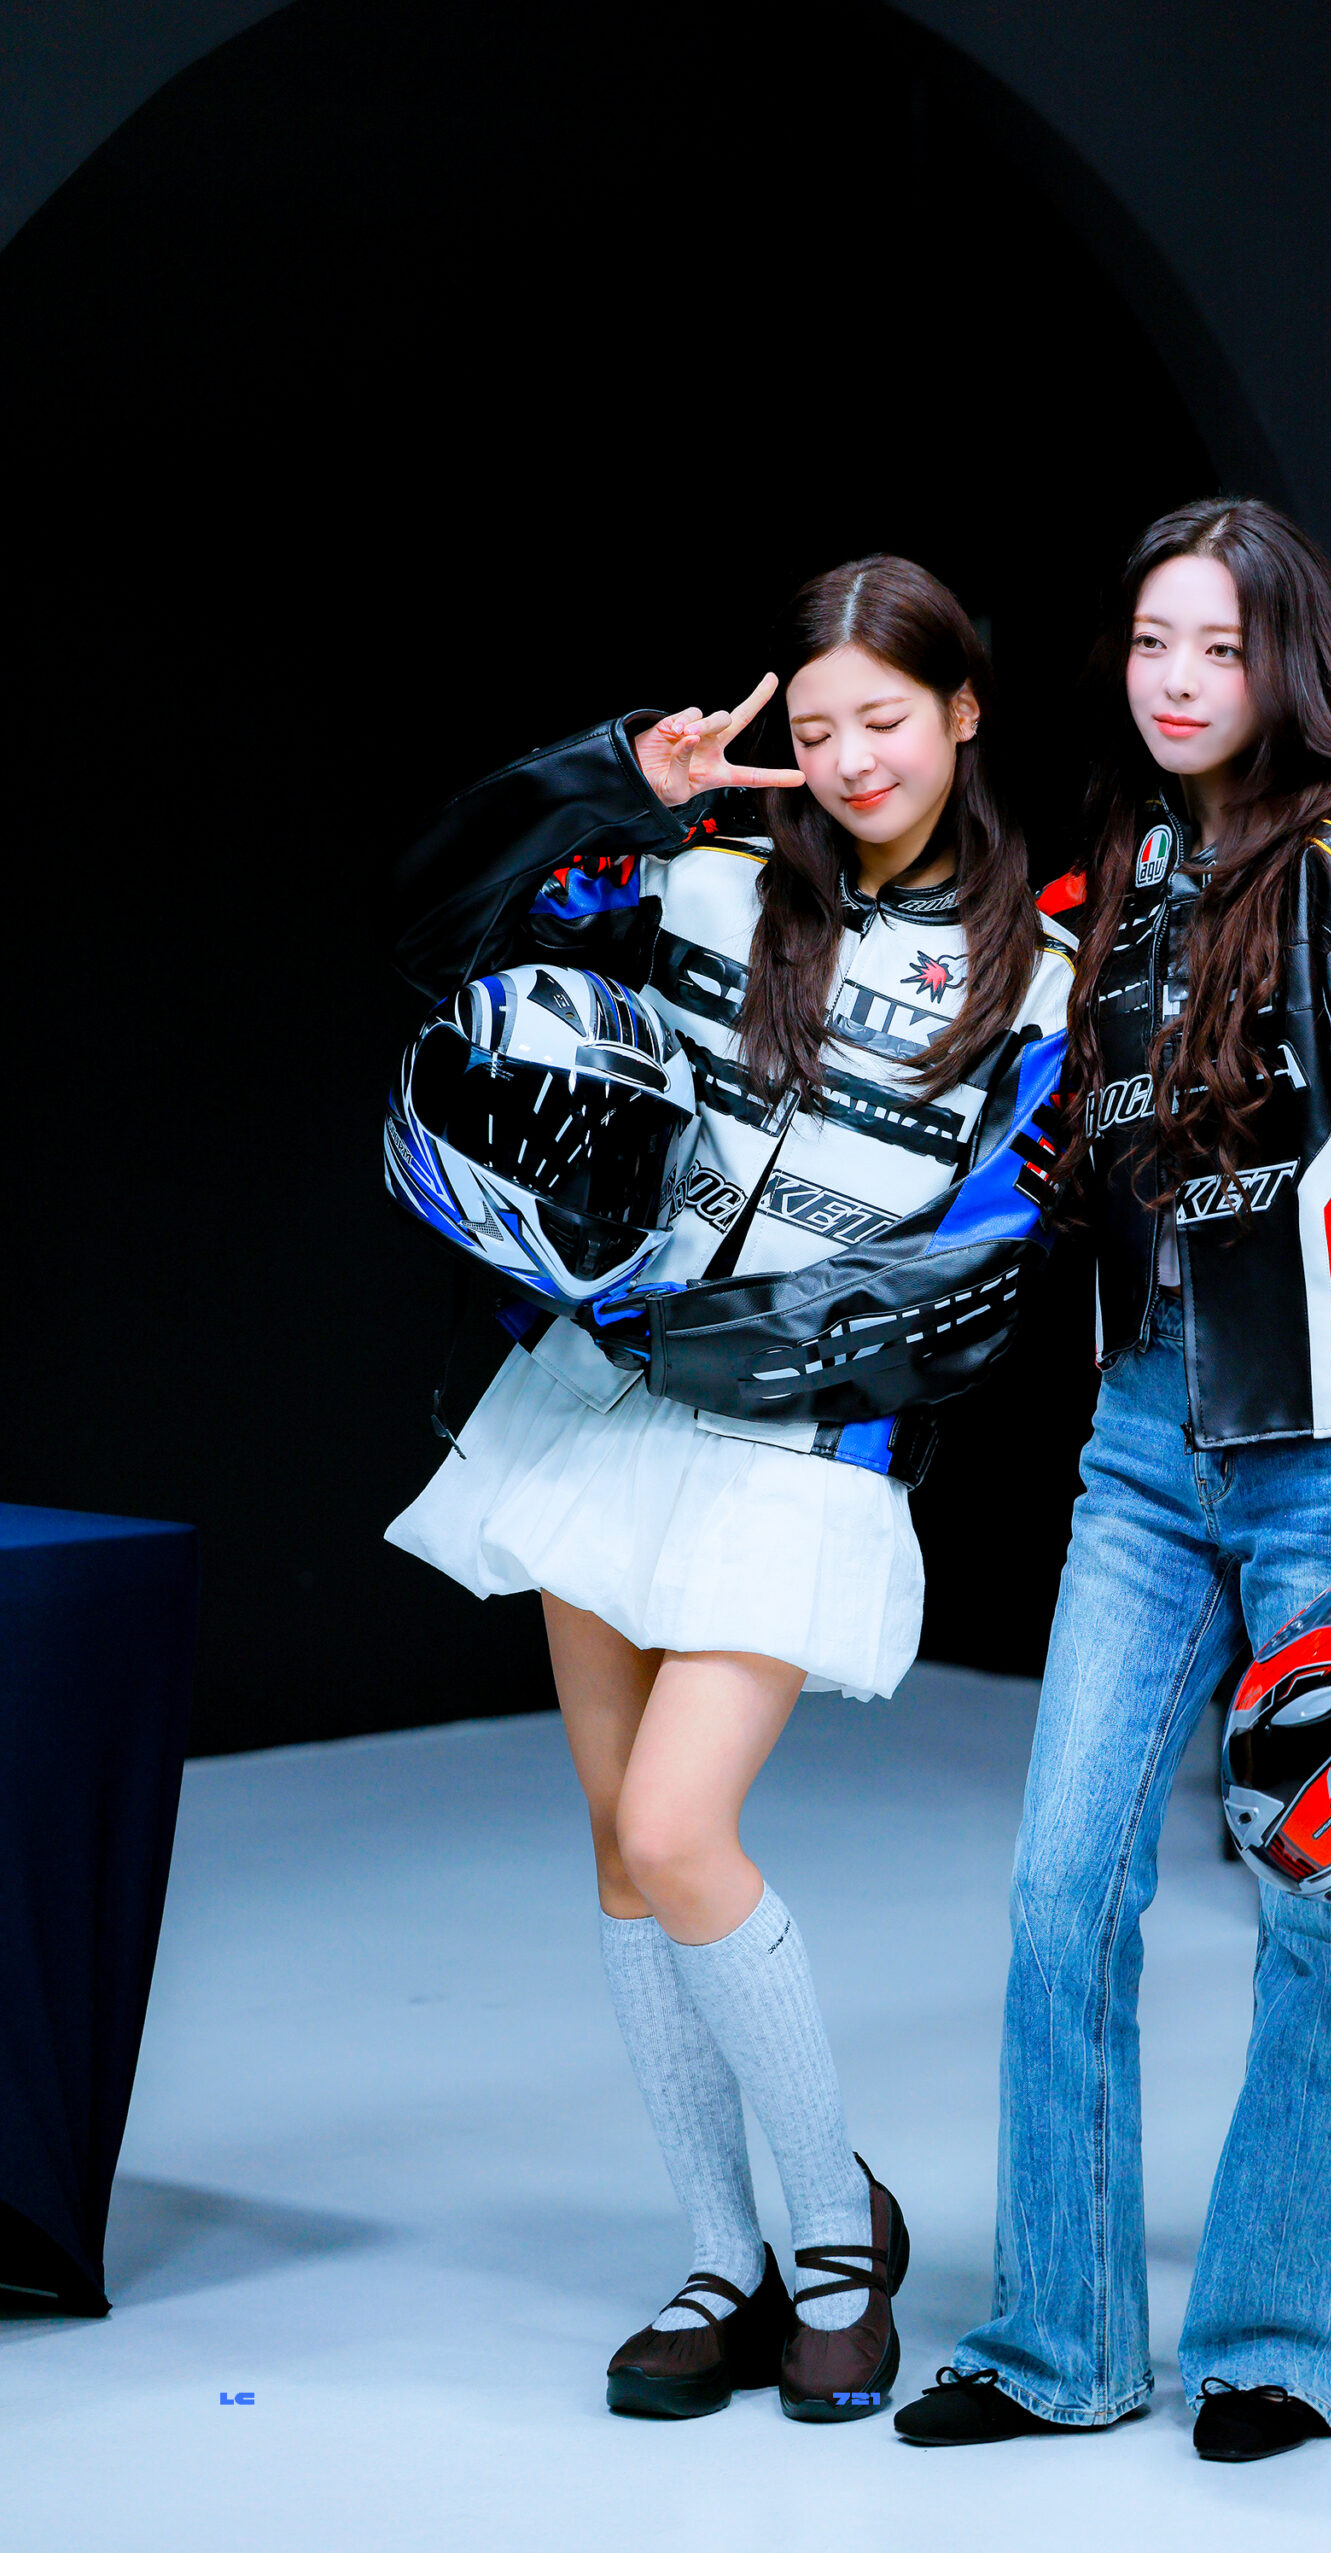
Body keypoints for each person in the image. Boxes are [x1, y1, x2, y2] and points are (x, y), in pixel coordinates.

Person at [385, 556, 1075, 2422]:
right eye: (819, 724)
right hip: (599, 1408)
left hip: (802, 1441)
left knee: (683, 1828)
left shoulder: (1043, 986)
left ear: (965, 712)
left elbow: (981, 1263)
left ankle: (834, 2237)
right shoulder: (696, 882)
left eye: (888, 718)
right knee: (623, 1854)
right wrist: (614, 780)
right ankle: (717, 2252)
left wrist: (728, 1340)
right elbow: (432, 923)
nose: (853, 759)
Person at [894, 498, 1331, 2458]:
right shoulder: (1130, 875)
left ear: (1286, 660)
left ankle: (1280, 2339)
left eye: (1219, 647)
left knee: (1325, 1902)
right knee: (1058, 1887)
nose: (1175, 680)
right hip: (1142, 1447)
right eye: (1151, 641)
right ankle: (1061, 2341)